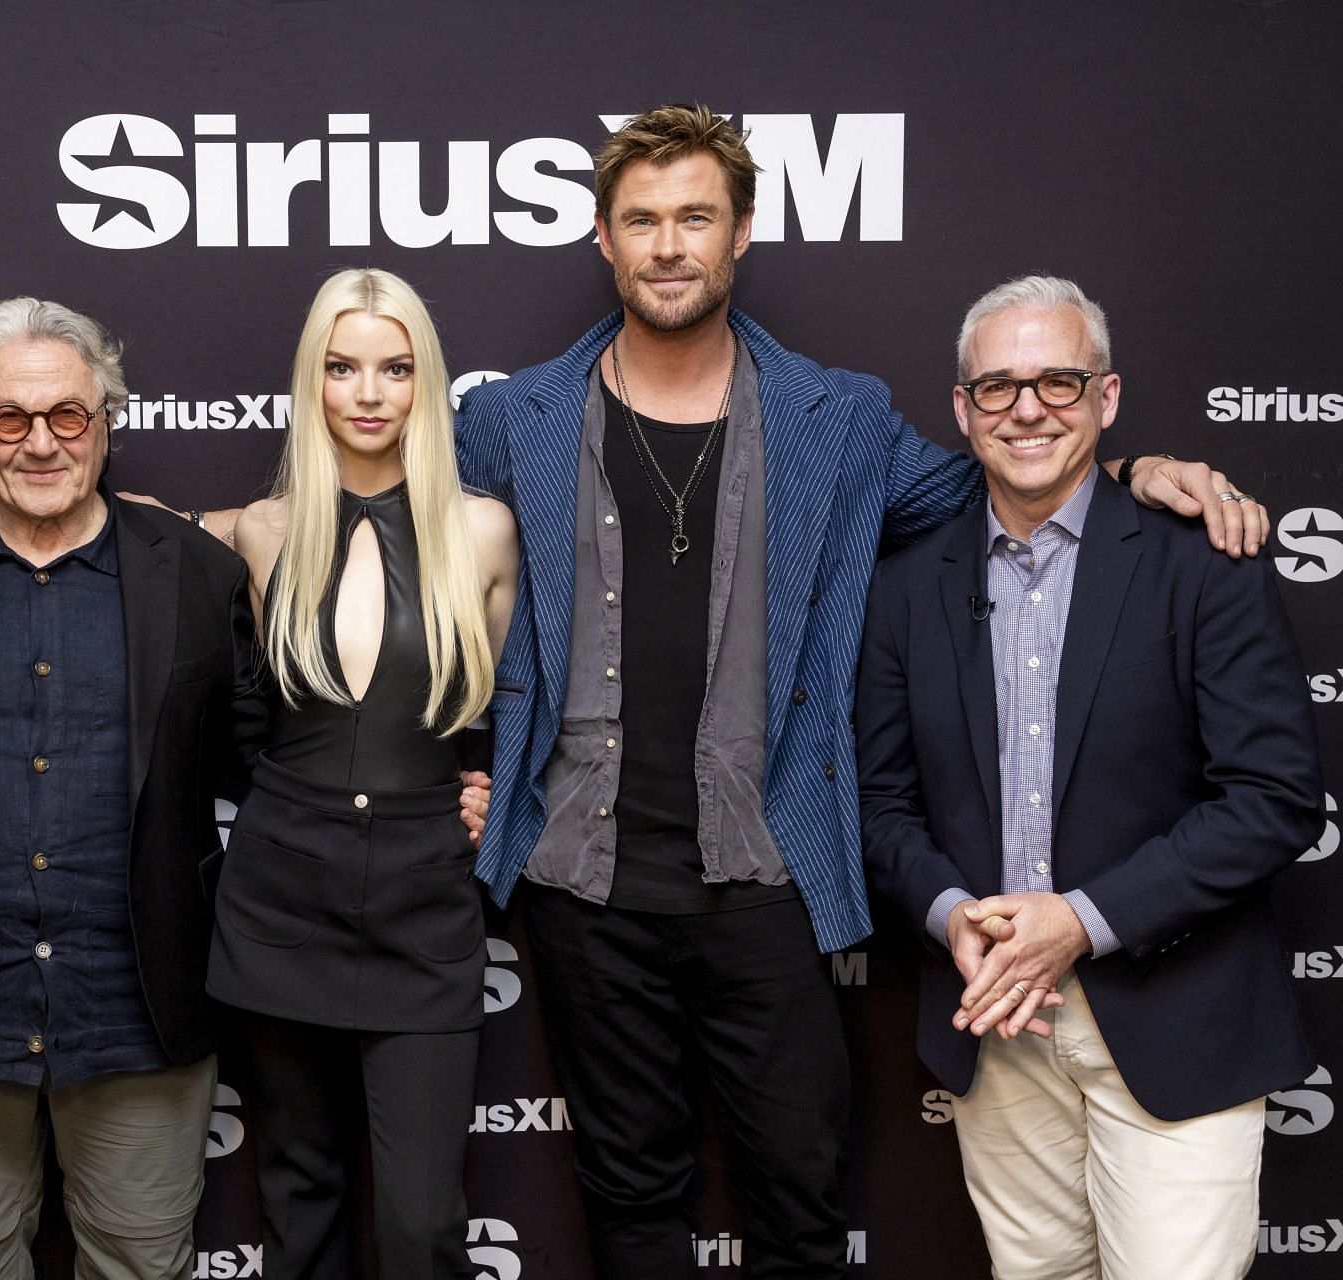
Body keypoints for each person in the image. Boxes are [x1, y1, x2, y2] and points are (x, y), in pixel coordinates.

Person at [447, 105, 1273, 1279]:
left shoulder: (841, 418)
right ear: (603, 240)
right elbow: (413, 568)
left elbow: (1015, 476)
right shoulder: (506, 418)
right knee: (627, 1195)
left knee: (798, 1199)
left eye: (696, 217)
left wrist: (1136, 468)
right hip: (580, 874)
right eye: (642, 221)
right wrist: (470, 766)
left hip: (777, 867)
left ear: (740, 235)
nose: (669, 245)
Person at [855, 276, 1319, 1279]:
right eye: (999, 386)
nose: (1028, 408)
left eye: (1059, 381)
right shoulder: (905, 585)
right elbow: (878, 804)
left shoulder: (1205, 559)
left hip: (1177, 1018)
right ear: (961, 407)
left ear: (1106, 398)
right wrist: (950, 913)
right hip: (997, 1030)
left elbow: (1274, 797)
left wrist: (1083, 916)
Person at [0, 296, 269, 1280]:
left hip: (139, 1016)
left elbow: (271, 761)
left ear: (107, 420)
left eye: (67, 415)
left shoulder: (200, 577)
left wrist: (444, 782)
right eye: (11, 417)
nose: (40, 442)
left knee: (139, 1262)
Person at [205, 268, 518, 1280]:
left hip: (424, 907)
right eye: (342, 368)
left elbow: (516, 710)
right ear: (314, 382)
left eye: (395, 367)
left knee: (423, 1226)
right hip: (279, 898)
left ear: (426, 381)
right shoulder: (259, 528)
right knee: (303, 1211)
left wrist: (488, 795)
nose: (369, 392)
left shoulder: (483, 530)